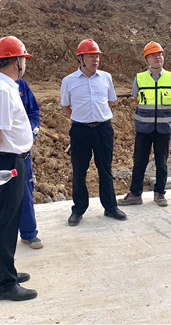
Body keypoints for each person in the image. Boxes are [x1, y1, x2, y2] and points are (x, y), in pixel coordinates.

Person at [0, 36, 37, 302]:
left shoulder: (3, 86)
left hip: (12, 159)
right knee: (5, 222)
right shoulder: (3, 90)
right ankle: (3, 284)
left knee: (3, 219)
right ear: (16, 62)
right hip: (7, 162)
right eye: (23, 60)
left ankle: (1, 272)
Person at [0, 65, 43, 248]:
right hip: (0, 152)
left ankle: (28, 232)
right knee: (0, 198)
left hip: (21, 154)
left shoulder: (21, 86)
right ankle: (0, 246)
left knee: (25, 191)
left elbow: (32, 112)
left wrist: (29, 132)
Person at [61, 39, 126, 226]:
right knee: (79, 170)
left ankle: (110, 207)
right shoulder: (68, 81)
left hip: (103, 129)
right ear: (80, 58)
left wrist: (98, 116)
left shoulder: (106, 77)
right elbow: (65, 107)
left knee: (105, 169)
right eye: (91, 56)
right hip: (80, 131)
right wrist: (80, 118)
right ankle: (78, 209)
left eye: (97, 56)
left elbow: (109, 102)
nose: (95, 59)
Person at [117, 41, 171, 207]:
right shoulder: (140, 78)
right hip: (143, 128)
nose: (157, 58)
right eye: (152, 56)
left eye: (159, 54)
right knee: (139, 162)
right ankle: (135, 194)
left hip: (163, 128)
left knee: (162, 162)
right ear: (146, 60)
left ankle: (160, 193)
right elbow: (136, 99)